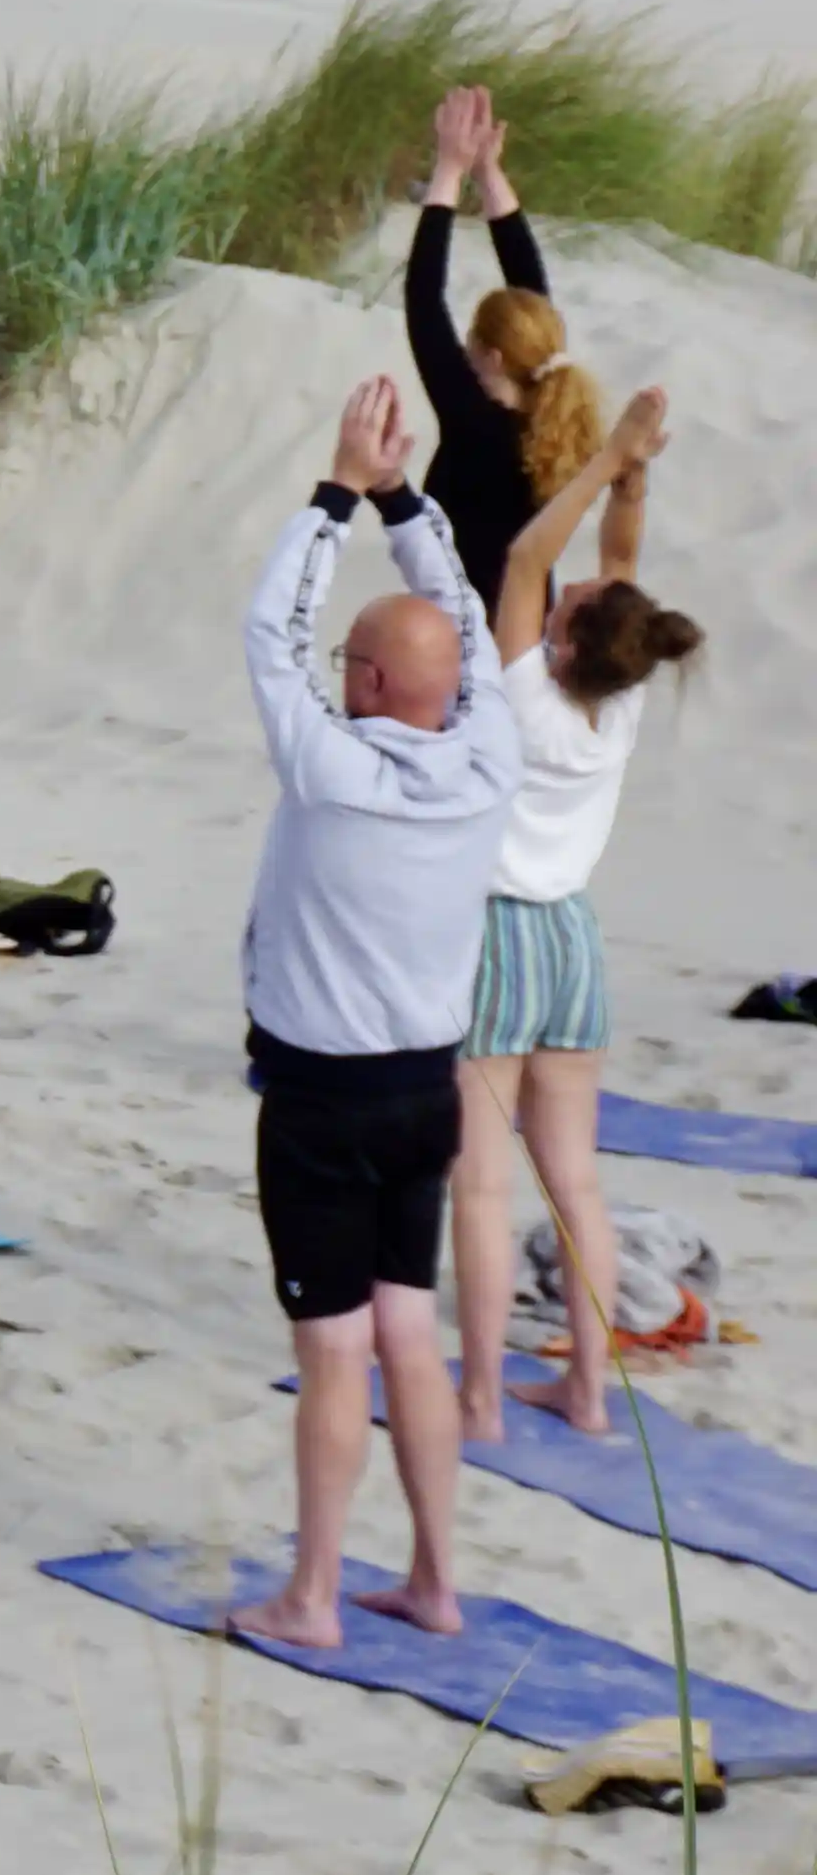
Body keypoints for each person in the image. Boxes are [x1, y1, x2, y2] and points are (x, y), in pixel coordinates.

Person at [227, 379, 523, 1651]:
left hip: (323, 1098)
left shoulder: (333, 765)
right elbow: (455, 614)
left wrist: (336, 494)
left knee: (336, 1342)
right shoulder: (489, 747)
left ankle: (315, 1595)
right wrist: (401, 500)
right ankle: (437, 1580)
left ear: (364, 682)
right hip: (425, 1089)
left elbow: (266, 629)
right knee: (411, 1320)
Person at [461, 389, 690, 1445]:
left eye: (574, 596)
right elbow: (617, 560)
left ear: (561, 637)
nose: (577, 579)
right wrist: (634, 472)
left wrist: (605, 458)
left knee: (483, 1179)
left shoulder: (526, 696)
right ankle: (590, 1388)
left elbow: (521, 555)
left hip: (503, 934)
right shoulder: (621, 696)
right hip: (574, 941)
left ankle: (478, 1395)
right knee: (578, 1183)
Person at [408, 85, 604, 574]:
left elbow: (423, 301)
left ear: (492, 358)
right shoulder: (551, 418)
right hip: (528, 629)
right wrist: (488, 174)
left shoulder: (475, 425)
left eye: (472, 341)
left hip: (471, 638)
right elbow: (529, 289)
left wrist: (450, 171)